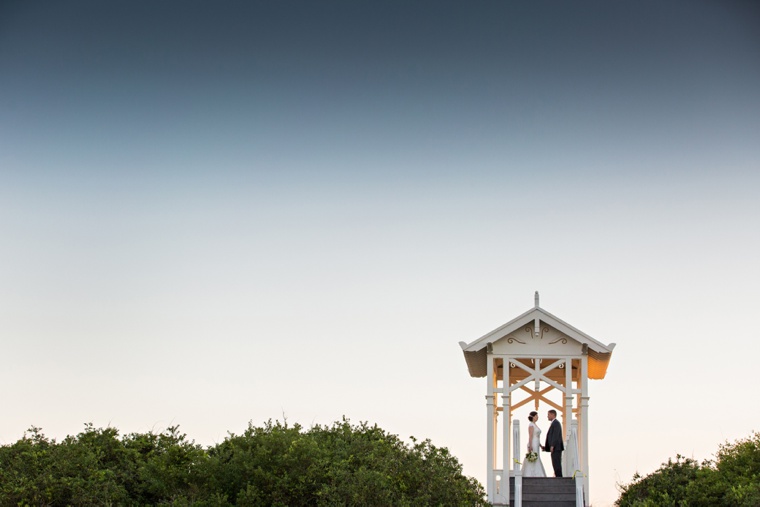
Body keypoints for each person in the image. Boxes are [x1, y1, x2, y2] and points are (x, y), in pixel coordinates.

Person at [522, 411, 546, 477]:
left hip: (537, 443)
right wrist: (530, 445)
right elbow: (530, 435)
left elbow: (537, 437)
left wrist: (540, 445)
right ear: (533, 416)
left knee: (536, 456)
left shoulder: (535, 424)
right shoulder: (531, 425)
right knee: (533, 456)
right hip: (533, 443)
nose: (537, 417)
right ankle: (530, 473)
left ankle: (537, 473)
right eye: (536, 416)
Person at [543, 409, 564, 477]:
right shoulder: (554, 423)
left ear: (553, 414)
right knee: (555, 463)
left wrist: (552, 445)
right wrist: (546, 447)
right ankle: (558, 476)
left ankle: (559, 477)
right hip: (555, 447)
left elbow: (555, 435)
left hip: (556, 447)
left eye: (548, 414)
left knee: (556, 463)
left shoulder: (556, 423)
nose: (547, 416)